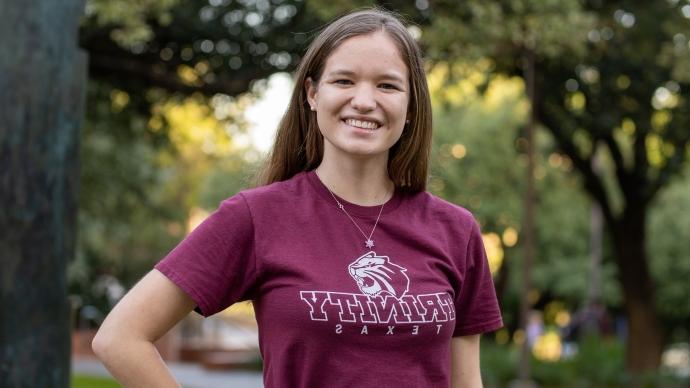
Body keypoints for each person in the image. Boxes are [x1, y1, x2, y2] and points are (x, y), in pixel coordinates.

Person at [92, 7, 503, 388]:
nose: (364, 100)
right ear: (312, 93)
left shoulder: (456, 230)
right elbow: (120, 338)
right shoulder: (257, 217)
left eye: (387, 85)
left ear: (411, 104)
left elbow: (466, 382)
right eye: (344, 80)